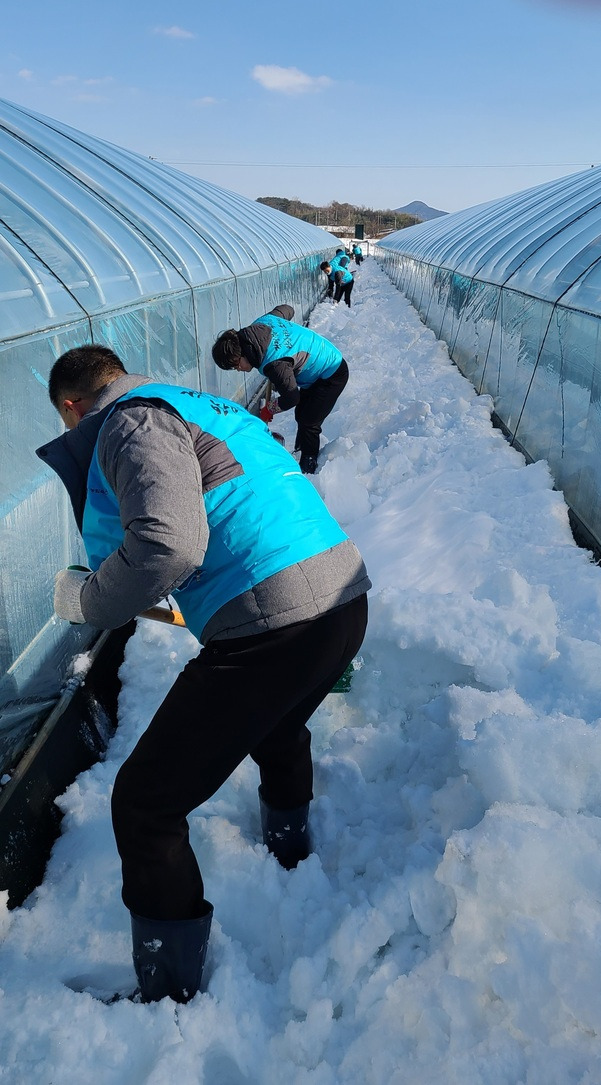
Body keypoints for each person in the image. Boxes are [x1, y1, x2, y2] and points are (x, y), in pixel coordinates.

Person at [37, 344, 370, 1005]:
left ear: (73, 407)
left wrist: (87, 599)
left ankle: (167, 996)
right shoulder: (195, 404)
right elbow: (213, 523)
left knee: (144, 802)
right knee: (277, 725)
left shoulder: (130, 421)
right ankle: (290, 856)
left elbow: (169, 543)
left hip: (278, 619)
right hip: (341, 599)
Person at [212, 304, 349, 476]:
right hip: (316, 364)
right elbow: (287, 309)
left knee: (309, 420)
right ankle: (301, 451)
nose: (238, 370)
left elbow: (292, 397)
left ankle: (309, 464)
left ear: (241, 355)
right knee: (302, 414)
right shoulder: (262, 323)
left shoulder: (275, 364)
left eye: (235, 366)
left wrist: (270, 408)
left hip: (332, 372)